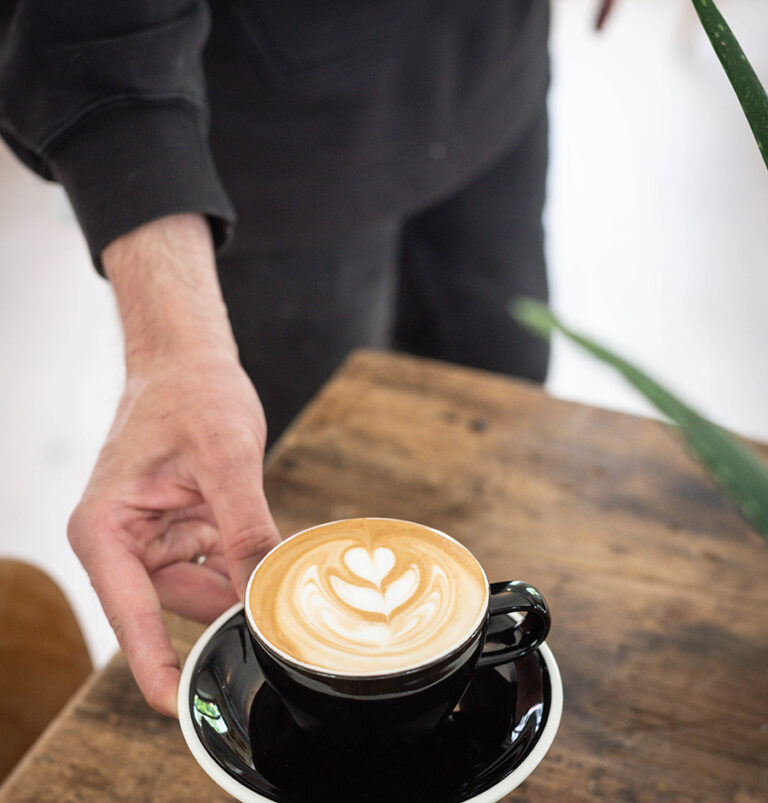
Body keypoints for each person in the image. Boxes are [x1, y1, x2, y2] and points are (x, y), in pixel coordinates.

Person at [0, 0, 610, 716]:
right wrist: (173, 341)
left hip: (496, 62)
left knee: (503, 434)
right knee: (286, 510)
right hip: (273, 141)